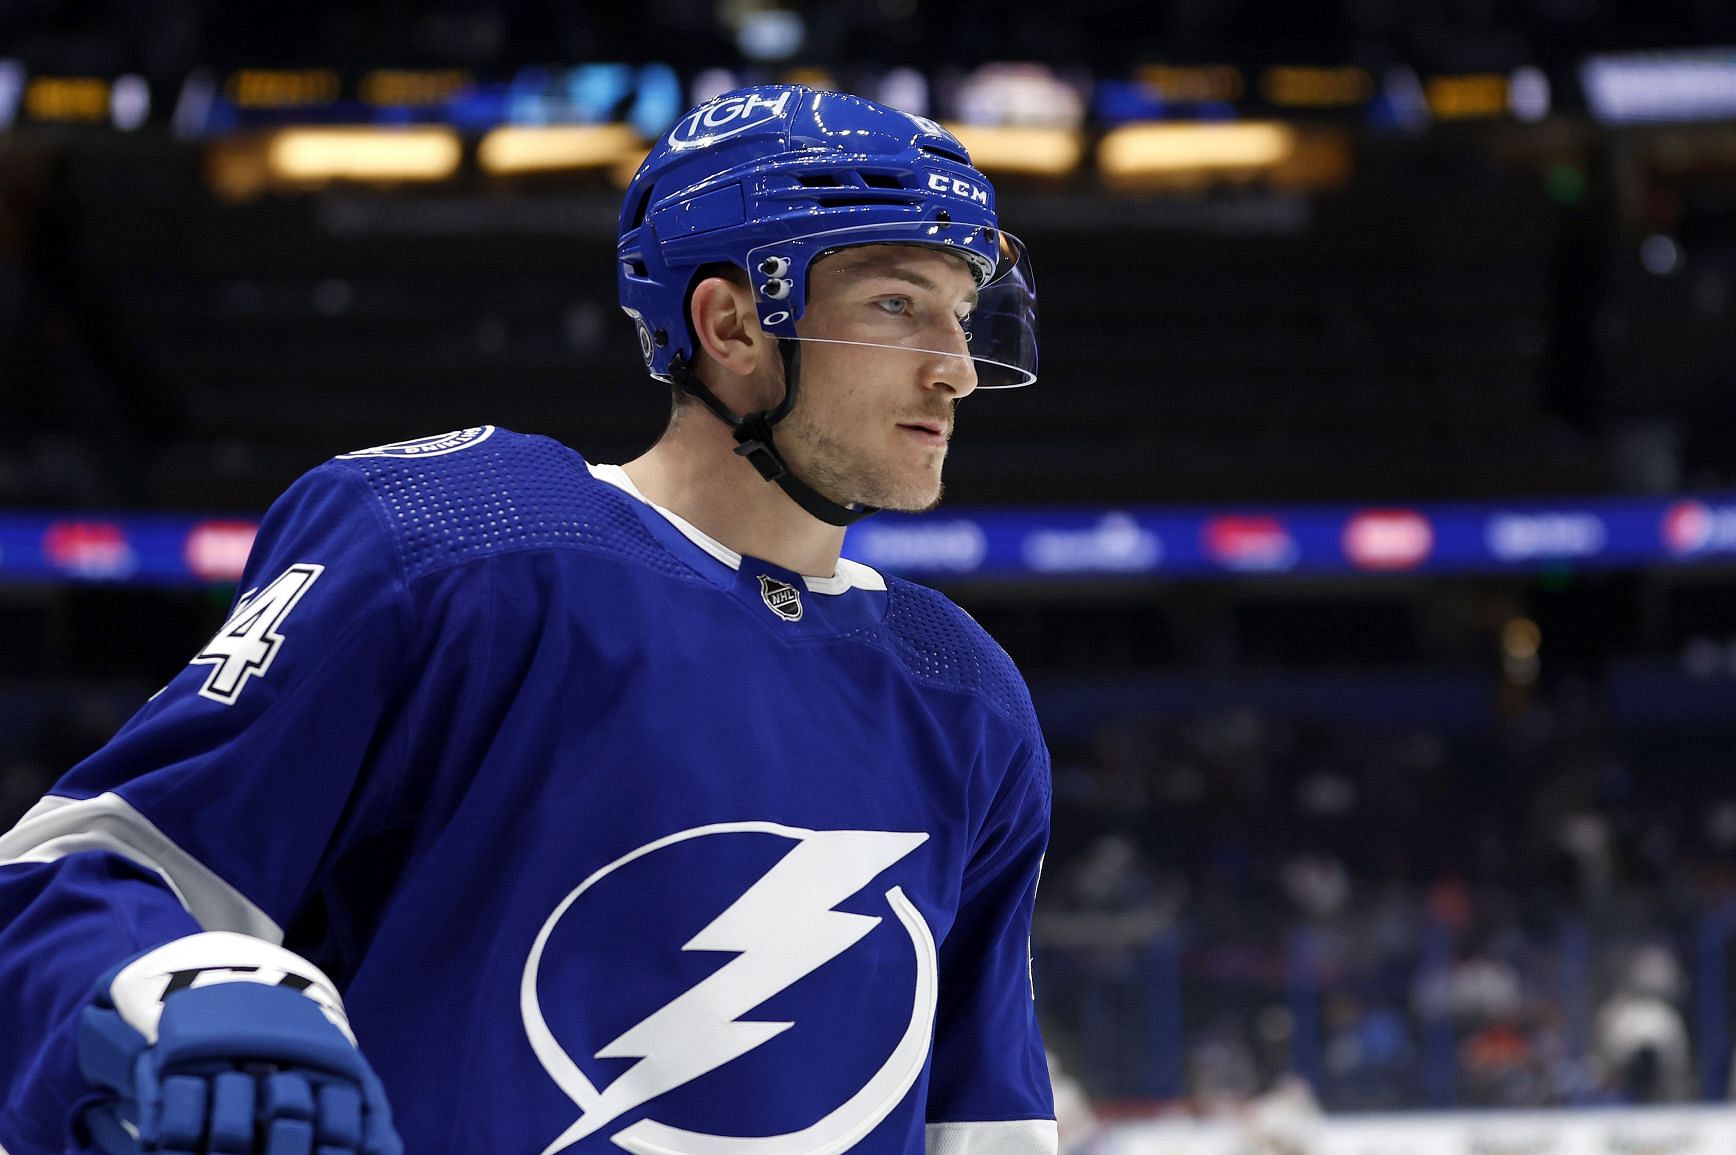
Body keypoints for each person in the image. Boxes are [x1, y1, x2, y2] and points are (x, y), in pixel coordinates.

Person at [0, 84, 1053, 1155]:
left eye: (962, 315)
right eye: (897, 305)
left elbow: (982, 1116)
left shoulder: (962, 689)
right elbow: (74, 876)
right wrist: (197, 985)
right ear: (731, 322)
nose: (956, 369)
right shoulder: (459, 545)